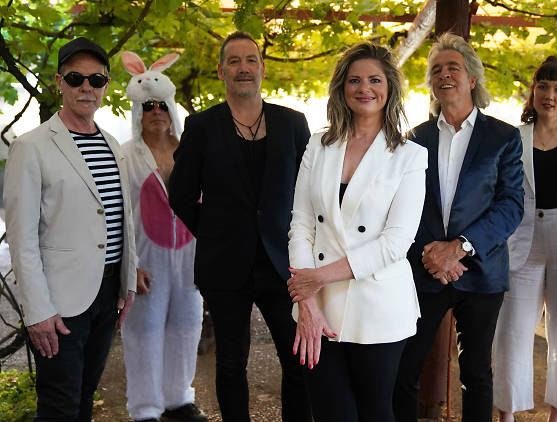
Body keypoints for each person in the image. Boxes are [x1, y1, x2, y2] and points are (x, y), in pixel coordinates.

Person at [168, 31, 312, 422]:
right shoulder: (201, 127)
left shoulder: (293, 124)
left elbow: (310, 194)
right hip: (224, 264)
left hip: (284, 264)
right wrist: (216, 232)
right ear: (221, 71)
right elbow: (180, 196)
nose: (243, 68)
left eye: (250, 60)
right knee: (231, 364)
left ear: (263, 69)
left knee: (297, 360)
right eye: (234, 61)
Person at [287, 41, 427, 422]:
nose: (365, 88)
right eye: (355, 80)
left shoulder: (411, 156)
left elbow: (396, 242)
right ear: (342, 88)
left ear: (390, 89)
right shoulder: (318, 144)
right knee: (331, 412)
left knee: (375, 412)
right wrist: (307, 300)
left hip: (379, 306)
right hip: (318, 306)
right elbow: (300, 223)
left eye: (375, 80)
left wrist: (314, 278)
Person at [3, 37, 137, 421]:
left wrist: (126, 283)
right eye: (76, 77)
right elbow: (21, 238)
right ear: (59, 82)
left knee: (83, 398)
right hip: (60, 304)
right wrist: (37, 311)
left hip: (107, 294)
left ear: (106, 86)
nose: (86, 87)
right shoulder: (31, 147)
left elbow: (121, 218)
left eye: (96, 80)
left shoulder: (113, 144)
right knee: (59, 404)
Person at [393, 33, 524, 422]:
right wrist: (431, 253)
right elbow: (404, 207)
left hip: (481, 271)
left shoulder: (504, 137)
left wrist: (461, 247)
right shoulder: (414, 139)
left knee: (477, 375)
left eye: (454, 67)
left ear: (472, 79)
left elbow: (511, 205)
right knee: (405, 368)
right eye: (436, 70)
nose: (444, 74)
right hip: (425, 268)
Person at [492, 56, 557, 422]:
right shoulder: (513, 136)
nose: (549, 95)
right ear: (532, 90)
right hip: (521, 240)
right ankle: (506, 414)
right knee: (510, 335)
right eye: (543, 86)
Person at [119, 51, 206, 422]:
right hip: (146, 259)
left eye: (162, 105)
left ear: (172, 108)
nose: (157, 111)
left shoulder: (193, 154)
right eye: (149, 106)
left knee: (187, 327)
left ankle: (178, 399)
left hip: (190, 258)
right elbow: (117, 215)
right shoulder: (124, 156)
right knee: (144, 332)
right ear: (140, 110)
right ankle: (145, 408)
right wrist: (129, 266)